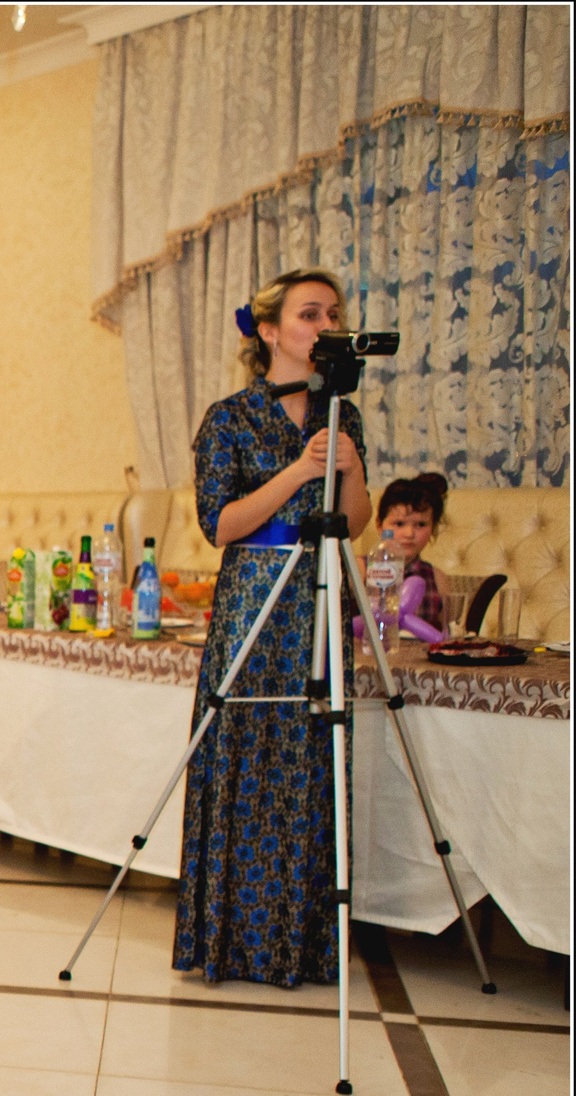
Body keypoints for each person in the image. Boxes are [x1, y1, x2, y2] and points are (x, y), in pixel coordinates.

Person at [175, 268, 374, 989]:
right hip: (256, 597)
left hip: (320, 602)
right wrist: (297, 473)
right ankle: (231, 942)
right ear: (269, 331)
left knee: (311, 760)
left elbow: (353, 524)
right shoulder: (229, 417)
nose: (324, 325)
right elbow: (219, 524)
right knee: (246, 754)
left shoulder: (340, 415)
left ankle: (305, 943)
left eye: (333, 313)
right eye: (309, 313)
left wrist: (346, 470)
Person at [362, 472, 452, 644]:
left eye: (421, 525)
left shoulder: (436, 577)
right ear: (380, 526)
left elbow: (446, 629)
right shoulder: (361, 568)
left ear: (433, 528)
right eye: (399, 524)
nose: (409, 534)